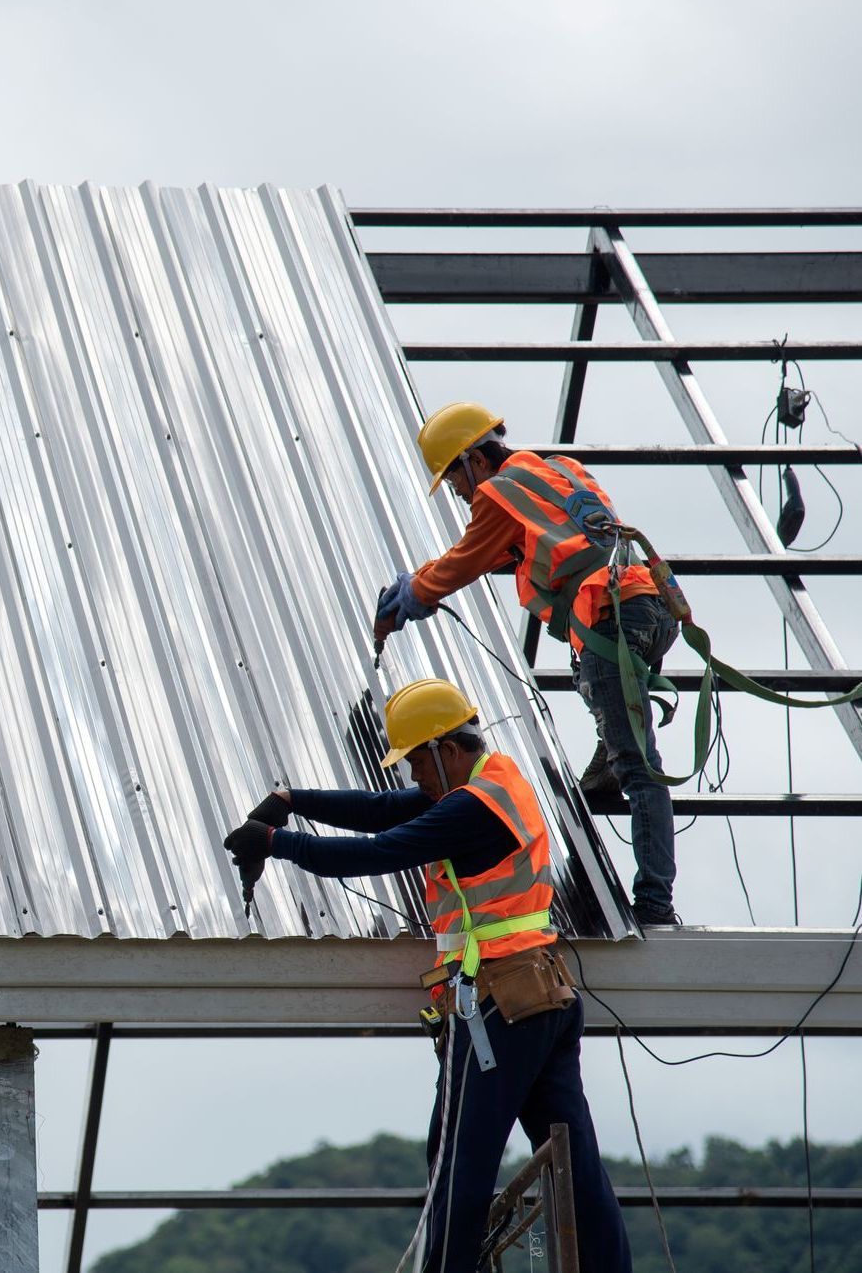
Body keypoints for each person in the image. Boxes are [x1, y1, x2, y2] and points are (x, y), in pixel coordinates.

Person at [225, 678, 632, 1273]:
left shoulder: (469, 808)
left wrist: (273, 842)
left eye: (417, 760)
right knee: (574, 1165)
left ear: (447, 748)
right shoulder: (494, 782)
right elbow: (383, 809)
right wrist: (292, 800)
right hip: (541, 994)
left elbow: (377, 850)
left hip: (499, 1003)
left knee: (457, 1163)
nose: (413, 776)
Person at [373, 401, 681, 926]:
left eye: (456, 481)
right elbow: (498, 550)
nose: (462, 494)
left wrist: (415, 594)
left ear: (474, 460)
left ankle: (655, 903)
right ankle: (604, 767)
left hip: (610, 619)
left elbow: (468, 558)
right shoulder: (555, 468)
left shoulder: (495, 493)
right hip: (652, 605)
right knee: (617, 728)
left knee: (640, 768)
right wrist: (421, 580)